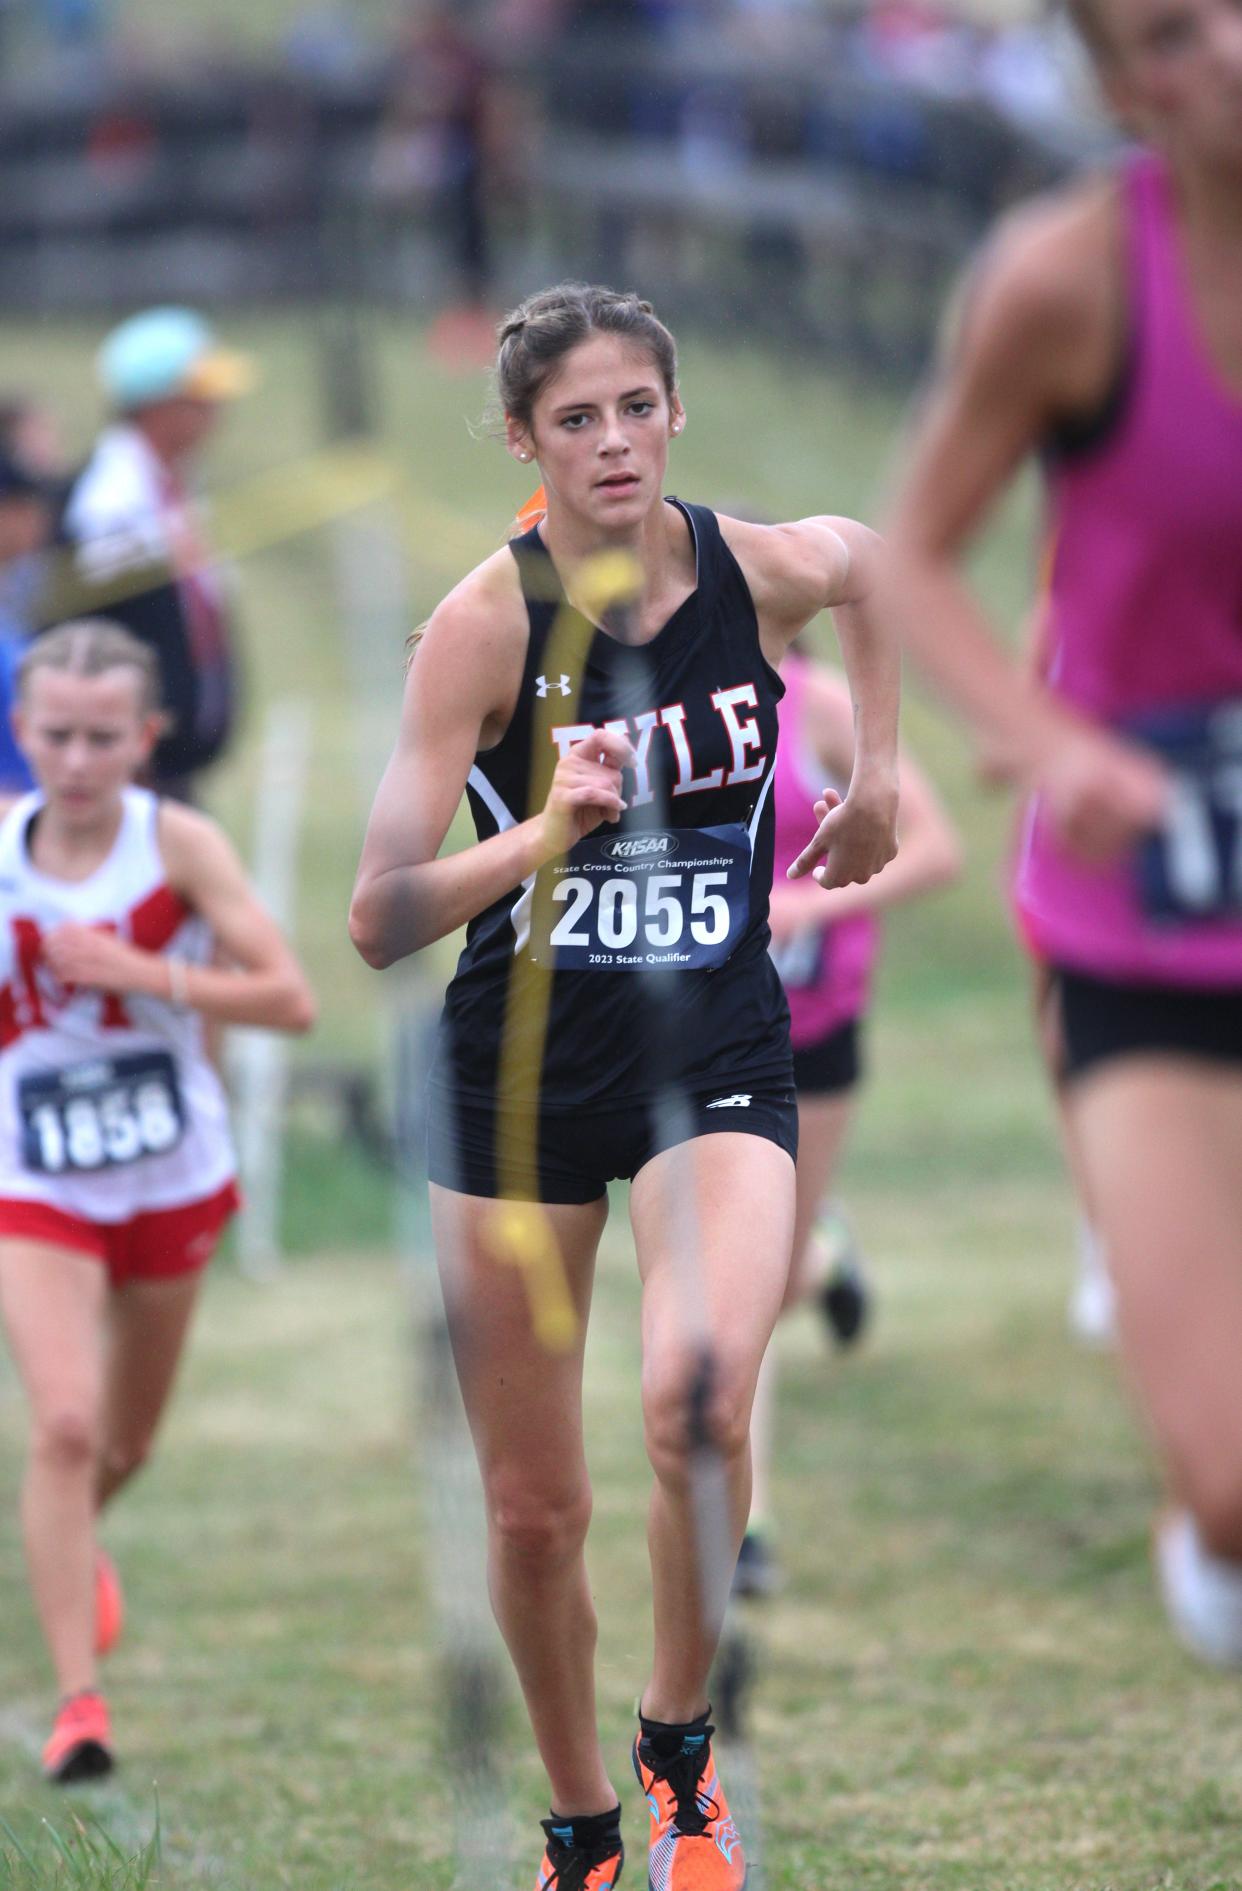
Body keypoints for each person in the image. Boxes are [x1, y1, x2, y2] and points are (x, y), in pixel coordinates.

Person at [350, 282, 900, 1890]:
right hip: (514, 1088)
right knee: (532, 1510)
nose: (611, 440)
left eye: (635, 407)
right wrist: (538, 834)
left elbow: (872, 561)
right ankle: (582, 1826)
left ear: (676, 412)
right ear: (523, 440)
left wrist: (875, 782)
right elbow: (378, 914)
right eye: (573, 418)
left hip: (712, 1055)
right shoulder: (484, 623)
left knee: (703, 1397)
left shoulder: (755, 568)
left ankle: (679, 1750)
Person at [887, 0, 1242, 1662]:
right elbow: (909, 556)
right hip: (1152, 920)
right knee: (1235, 1483)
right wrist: (1044, 741)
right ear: (1113, 85)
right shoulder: (1070, 281)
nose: (1226, 55)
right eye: (1170, 35)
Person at [0, 621, 315, 1783]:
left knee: (124, 1439)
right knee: (68, 1422)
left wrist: (145, 974)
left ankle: (71, 1546)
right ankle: (79, 1705)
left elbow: (288, 999)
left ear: (144, 737)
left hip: (170, 1168)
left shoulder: (177, 845)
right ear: (23, 731)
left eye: (100, 737)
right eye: (54, 735)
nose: (76, 760)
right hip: (32, 1175)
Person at [736, 644, 962, 1598]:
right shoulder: (660, 698)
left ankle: (822, 1256)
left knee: (775, 1270)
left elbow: (939, 848)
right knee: (732, 1276)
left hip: (817, 1024)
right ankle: (746, 1527)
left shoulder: (820, 703)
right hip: (710, 1035)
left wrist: (804, 905)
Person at [51, 307, 254, 801]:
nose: (216, 411)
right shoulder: (108, 501)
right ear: (156, 406)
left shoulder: (170, 486)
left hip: (168, 769)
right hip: (132, 775)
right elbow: (100, 636)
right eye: (199, 398)